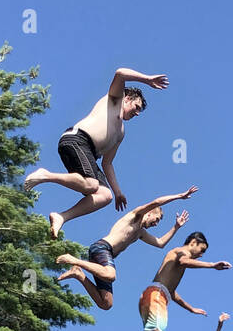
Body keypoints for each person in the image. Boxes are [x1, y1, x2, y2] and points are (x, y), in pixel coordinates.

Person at [25, 65, 169, 237]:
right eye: (136, 107)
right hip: (77, 139)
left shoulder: (121, 132)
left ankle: (61, 217)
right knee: (92, 184)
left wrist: (117, 193)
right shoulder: (114, 100)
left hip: (88, 154)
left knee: (104, 195)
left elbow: (107, 163)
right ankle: (45, 175)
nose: (137, 113)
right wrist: (147, 79)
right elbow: (120, 73)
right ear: (127, 99)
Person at [56, 187, 198, 310]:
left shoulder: (140, 233)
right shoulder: (135, 216)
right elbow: (156, 202)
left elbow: (160, 243)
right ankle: (74, 260)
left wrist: (176, 227)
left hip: (106, 257)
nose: (156, 224)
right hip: (102, 248)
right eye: (157, 219)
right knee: (111, 275)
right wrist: (179, 196)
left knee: (106, 303)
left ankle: (78, 274)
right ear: (149, 213)